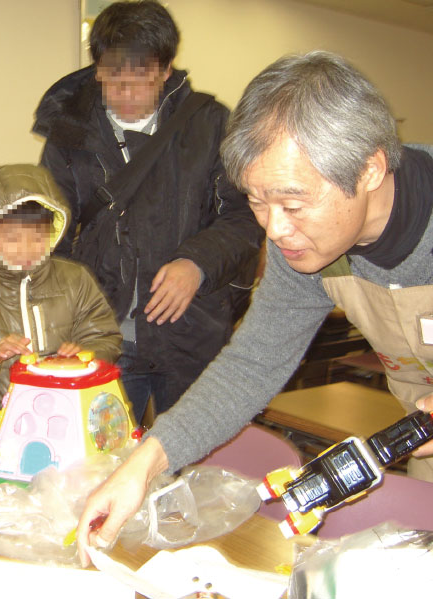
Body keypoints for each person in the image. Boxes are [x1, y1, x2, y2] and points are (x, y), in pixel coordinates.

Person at [75, 50, 433, 566]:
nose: (274, 230)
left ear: (371, 168)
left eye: (291, 203)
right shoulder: (307, 248)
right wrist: (144, 463)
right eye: (257, 203)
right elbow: (252, 364)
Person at [33, 0, 263, 425]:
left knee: (193, 465)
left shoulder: (210, 124)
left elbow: (245, 216)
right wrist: (66, 323)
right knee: (104, 465)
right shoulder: (71, 132)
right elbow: (51, 235)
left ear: (166, 70)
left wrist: (196, 262)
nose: (124, 95)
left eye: (139, 80)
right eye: (112, 79)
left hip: (192, 332)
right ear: (97, 69)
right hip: (104, 338)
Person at [0, 164, 123, 436]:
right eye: (13, 239)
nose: (26, 249)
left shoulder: (75, 279)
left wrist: (85, 355)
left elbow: (106, 337)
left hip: (68, 419)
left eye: (37, 237)